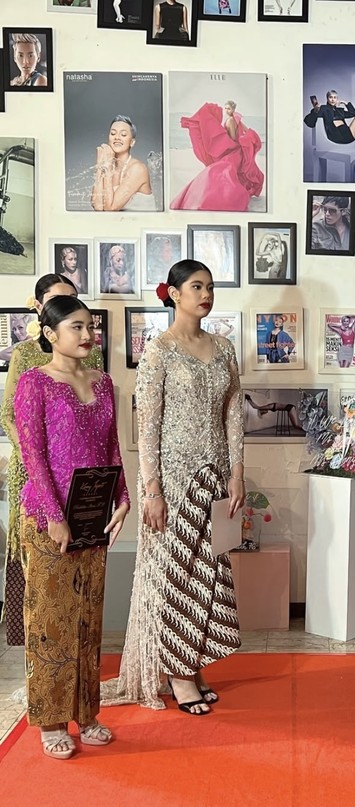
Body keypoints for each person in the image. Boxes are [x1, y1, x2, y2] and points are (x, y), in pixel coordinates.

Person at [101, 259, 245, 713]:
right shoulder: (158, 350)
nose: (206, 293)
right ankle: (178, 674)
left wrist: (238, 473)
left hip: (215, 478)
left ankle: (192, 662)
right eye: (197, 286)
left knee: (207, 574)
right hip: (174, 482)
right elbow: (148, 427)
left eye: (211, 286)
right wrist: (152, 491)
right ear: (174, 294)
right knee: (174, 574)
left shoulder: (224, 348)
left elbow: (235, 414)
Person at [13, 295, 129, 759]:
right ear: (49, 333)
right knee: (49, 622)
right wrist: (54, 517)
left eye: (90, 327)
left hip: (94, 512)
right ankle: (50, 721)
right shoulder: (33, 383)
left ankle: (88, 713)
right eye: (76, 327)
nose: (86, 335)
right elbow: (33, 455)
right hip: (47, 518)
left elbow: (112, 447)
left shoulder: (104, 383)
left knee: (87, 619)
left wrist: (122, 499)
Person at [0, 276, 104, 648]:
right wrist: (36, 453)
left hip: (83, 487)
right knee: (38, 581)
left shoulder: (93, 363)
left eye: (77, 305)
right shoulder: (27, 358)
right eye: (59, 303)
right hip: (36, 477)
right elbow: (8, 414)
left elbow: (98, 428)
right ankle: (27, 649)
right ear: (43, 310)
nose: (84, 331)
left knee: (82, 602)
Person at [170, 102, 264, 211]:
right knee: (224, 172)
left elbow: (233, 139)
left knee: (217, 172)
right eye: (226, 108)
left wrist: (222, 139)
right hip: (237, 151)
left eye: (228, 108)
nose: (226, 110)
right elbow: (247, 131)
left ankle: (219, 198)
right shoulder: (237, 118)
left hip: (234, 152)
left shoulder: (230, 120)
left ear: (233, 109)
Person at [91, 115, 155, 212]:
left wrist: (107, 169)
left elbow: (110, 209)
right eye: (113, 133)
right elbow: (98, 207)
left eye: (123, 135)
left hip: (140, 225)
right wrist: (100, 165)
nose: (117, 137)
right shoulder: (108, 166)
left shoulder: (138, 169)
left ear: (132, 142)